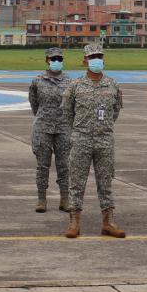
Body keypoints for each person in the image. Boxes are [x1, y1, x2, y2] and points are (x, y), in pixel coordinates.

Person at [62, 43, 125, 239]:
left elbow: (116, 110)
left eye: (99, 56)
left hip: (104, 140)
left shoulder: (112, 84)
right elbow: (67, 112)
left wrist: (103, 128)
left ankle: (108, 222)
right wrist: (79, 130)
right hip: (81, 139)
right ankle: (74, 222)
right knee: (77, 183)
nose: (96, 60)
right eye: (92, 57)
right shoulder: (75, 85)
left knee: (106, 182)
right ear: (84, 61)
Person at [28, 47, 72, 213]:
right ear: (47, 60)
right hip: (43, 127)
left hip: (63, 127)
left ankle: (65, 199)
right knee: (42, 165)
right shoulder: (37, 81)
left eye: (59, 59)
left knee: (64, 165)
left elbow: (72, 106)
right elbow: (34, 104)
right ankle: (42, 199)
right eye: (53, 59)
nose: (56, 62)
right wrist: (44, 116)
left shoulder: (70, 82)